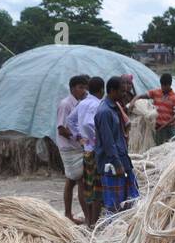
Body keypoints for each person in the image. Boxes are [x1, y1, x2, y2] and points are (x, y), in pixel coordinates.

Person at [94, 76, 139, 215]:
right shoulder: (105, 112)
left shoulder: (115, 108)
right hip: (112, 164)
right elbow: (108, 142)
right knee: (114, 204)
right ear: (112, 91)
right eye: (122, 91)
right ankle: (112, 227)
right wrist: (117, 163)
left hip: (121, 159)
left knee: (130, 199)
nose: (124, 94)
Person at [56, 74, 90, 224]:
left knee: (71, 181)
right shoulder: (66, 104)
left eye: (85, 87)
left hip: (77, 147)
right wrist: (78, 137)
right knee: (80, 180)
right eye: (80, 87)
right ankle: (88, 217)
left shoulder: (81, 103)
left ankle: (68, 214)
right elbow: (61, 129)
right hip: (70, 148)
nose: (84, 90)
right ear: (72, 89)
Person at [73, 76, 105, 226]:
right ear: (102, 90)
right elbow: (88, 123)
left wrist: (79, 137)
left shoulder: (82, 103)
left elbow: (70, 120)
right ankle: (93, 222)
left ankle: (90, 221)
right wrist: (95, 139)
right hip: (95, 152)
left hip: (87, 151)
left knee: (89, 188)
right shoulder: (97, 104)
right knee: (97, 189)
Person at [148, 73, 175, 143]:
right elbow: (144, 95)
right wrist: (134, 99)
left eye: (165, 85)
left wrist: (165, 125)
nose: (163, 87)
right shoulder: (155, 92)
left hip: (171, 127)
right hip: (158, 127)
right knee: (158, 146)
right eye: (162, 85)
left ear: (169, 85)